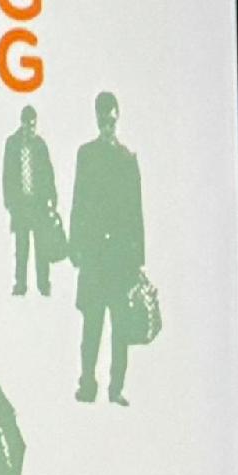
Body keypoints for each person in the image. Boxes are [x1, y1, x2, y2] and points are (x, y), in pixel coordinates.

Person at [70, 89, 146, 405]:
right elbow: (78, 202)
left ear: (118, 118)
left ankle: (116, 389)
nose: (107, 125)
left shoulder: (128, 160)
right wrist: (75, 247)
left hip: (121, 260)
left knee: (120, 327)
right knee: (92, 324)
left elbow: (136, 212)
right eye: (103, 119)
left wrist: (139, 259)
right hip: (93, 256)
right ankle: (88, 385)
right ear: (97, 119)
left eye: (111, 119)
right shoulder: (85, 155)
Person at [2, 101, 60, 298]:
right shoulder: (12, 144)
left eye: (34, 125)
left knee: (41, 246)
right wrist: (9, 202)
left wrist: (52, 199)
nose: (31, 129)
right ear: (22, 124)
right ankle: (20, 284)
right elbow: (7, 175)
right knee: (21, 246)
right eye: (28, 125)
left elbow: (49, 174)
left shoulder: (40, 145)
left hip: (39, 205)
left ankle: (44, 284)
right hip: (21, 206)